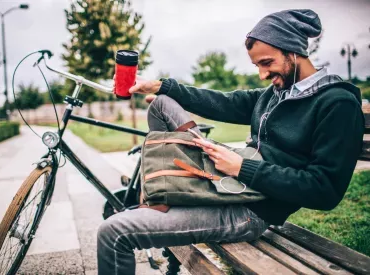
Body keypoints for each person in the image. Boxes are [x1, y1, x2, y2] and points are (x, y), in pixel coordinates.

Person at [97, 9, 364, 275]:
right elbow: (225, 102)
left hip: (250, 210)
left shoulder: (337, 103)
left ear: (293, 51)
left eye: (267, 63)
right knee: (161, 105)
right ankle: (164, 193)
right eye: (257, 65)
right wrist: (159, 86)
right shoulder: (278, 93)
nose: (262, 74)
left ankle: (163, 200)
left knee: (113, 231)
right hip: (228, 181)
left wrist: (241, 168)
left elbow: (325, 189)